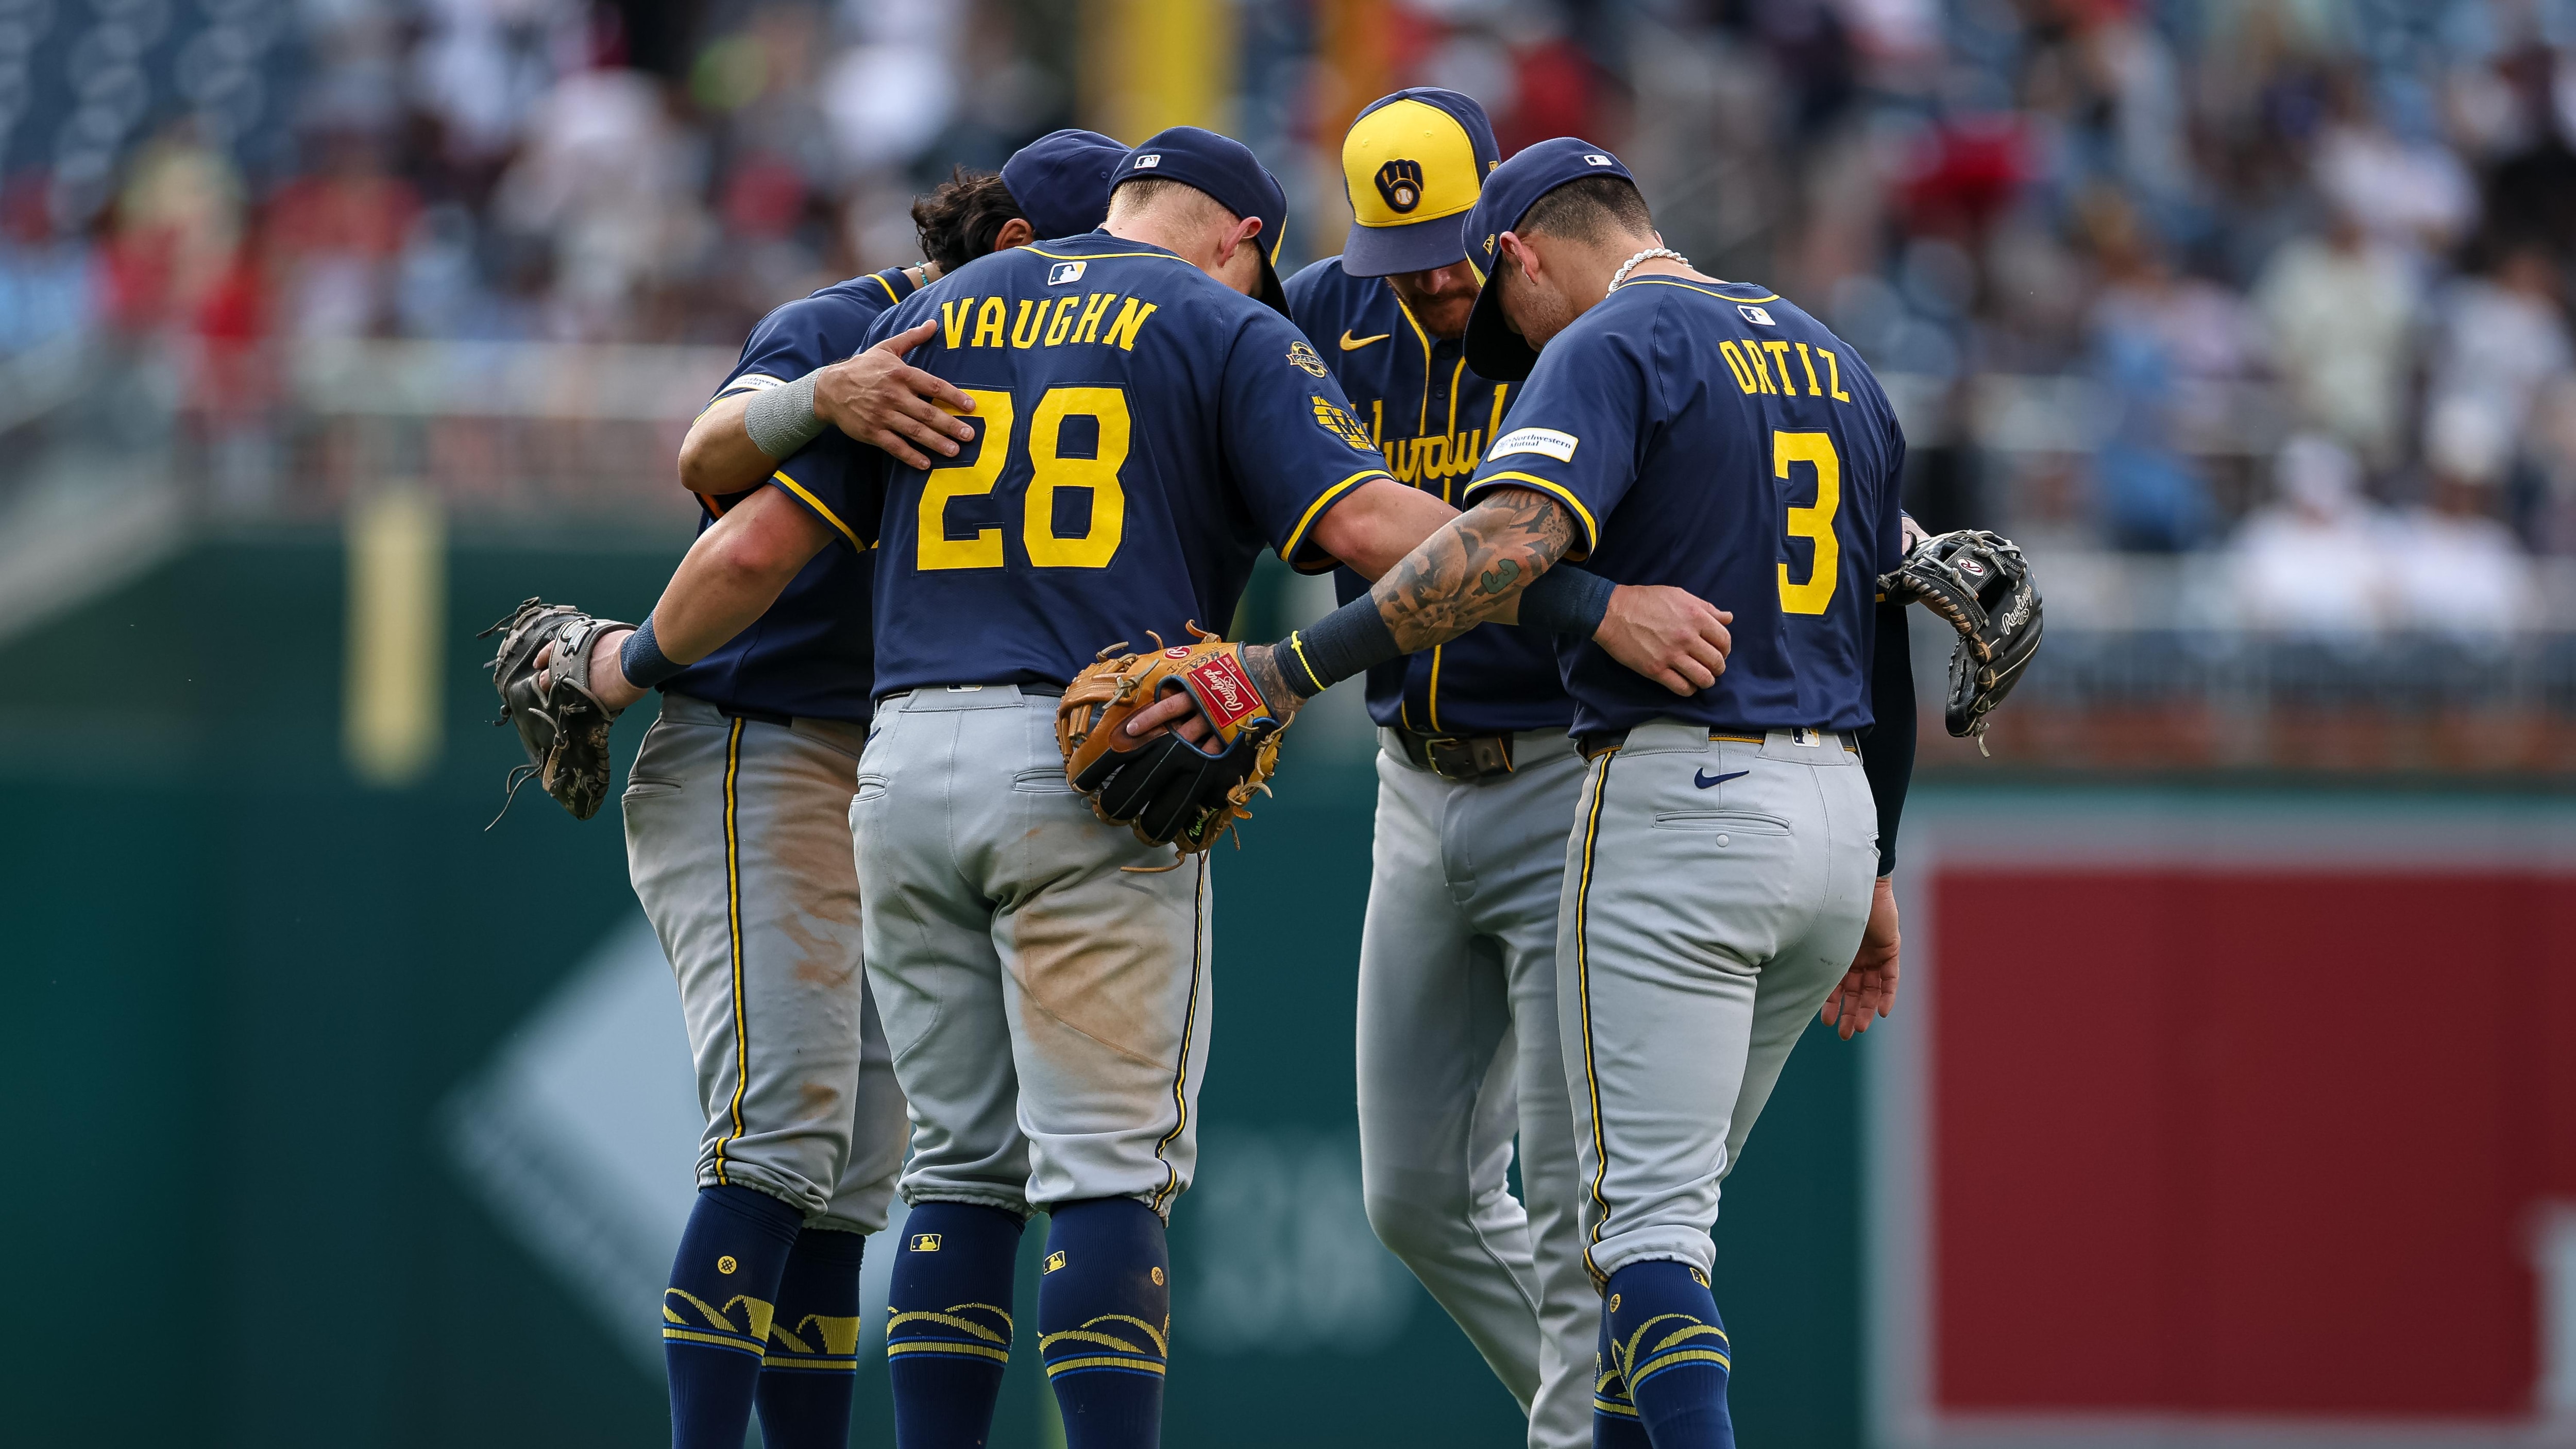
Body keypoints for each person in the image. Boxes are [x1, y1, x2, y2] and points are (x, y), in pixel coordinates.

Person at [546, 126, 1730, 1449]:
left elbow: (748, 527)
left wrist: (629, 662)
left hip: (900, 766)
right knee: (1109, 1179)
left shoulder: (934, 313)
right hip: (1084, 763)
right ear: (1241, 241)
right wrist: (1585, 599)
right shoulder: (1222, 327)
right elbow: (1369, 528)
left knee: (954, 1173)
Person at [1142, 139, 1915, 1448]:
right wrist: (1883, 859)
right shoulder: (1826, 351)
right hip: (1829, 807)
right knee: (1586, 1227)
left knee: (1630, 1236)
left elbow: (1502, 547)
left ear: (1516, 250)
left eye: (1488, 288)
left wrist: (1280, 671)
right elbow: (1890, 631)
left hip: (1664, 793)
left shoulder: (1610, 343)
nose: (1490, 331)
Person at [592, 130, 1124, 1449]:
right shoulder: (859, 323)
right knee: (779, 1136)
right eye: (1099, 257)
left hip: (894, 768)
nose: (1122, 286)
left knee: (850, 1178)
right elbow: (709, 460)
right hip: (752, 740)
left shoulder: (1078, 363)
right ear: (1016, 250)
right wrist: (818, 397)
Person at [1282, 87, 1618, 1449]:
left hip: (1563, 771)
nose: (1425, 277)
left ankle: (1592, 1425)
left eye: (1448, 246)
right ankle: (1631, 1406)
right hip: (1410, 780)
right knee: (1413, 1190)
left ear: (1504, 215)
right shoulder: (1326, 313)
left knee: (1575, 1203)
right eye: (1395, 251)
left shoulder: (1584, 328)